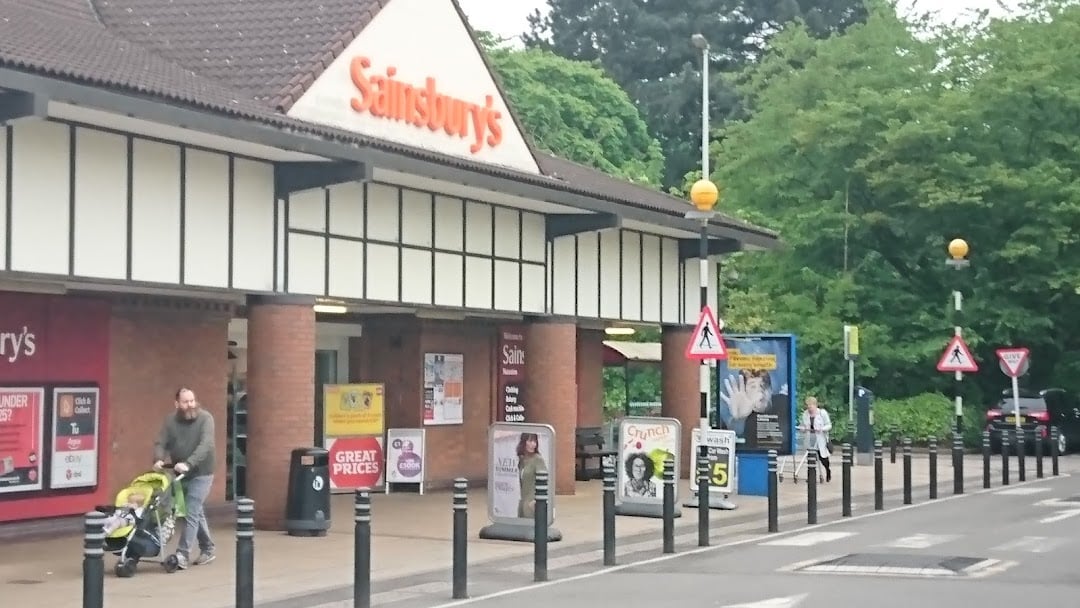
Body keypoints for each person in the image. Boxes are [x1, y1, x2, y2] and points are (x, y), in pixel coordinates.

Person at [154, 387, 216, 569]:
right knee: (195, 511)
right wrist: (158, 458)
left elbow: (206, 444)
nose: (190, 405)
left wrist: (189, 463)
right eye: (185, 402)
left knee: (190, 510)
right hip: (181, 474)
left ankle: (182, 554)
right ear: (177, 404)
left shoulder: (206, 419)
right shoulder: (170, 421)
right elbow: (161, 442)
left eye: (192, 400)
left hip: (202, 472)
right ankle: (208, 548)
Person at [798, 396, 833, 482]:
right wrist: (803, 428)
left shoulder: (822, 413)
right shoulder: (805, 414)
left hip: (820, 439)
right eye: (808, 406)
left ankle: (828, 470)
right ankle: (811, 477)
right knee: (811, 458)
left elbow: (829, 425)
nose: (809, 409)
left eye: (811, 406)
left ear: (815, 405)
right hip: (810, 439)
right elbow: (802, 425)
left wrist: (822, 429)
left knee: (823, 458)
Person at [516, 432, 547, 518]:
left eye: (535, 441)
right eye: (530, 441)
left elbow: (544, 481)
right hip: (523, 502)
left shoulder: (538, 459)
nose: (533, 444)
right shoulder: (522, 460)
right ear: (524, 442)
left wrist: (536, 501)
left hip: (532, 503)